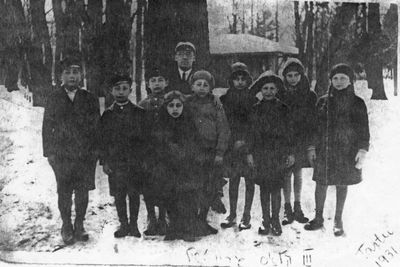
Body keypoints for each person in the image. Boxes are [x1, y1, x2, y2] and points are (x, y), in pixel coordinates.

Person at [304, 63, 370, 236]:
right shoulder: (323, 101)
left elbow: (364, 130)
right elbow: (314, 127)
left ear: (350, 81)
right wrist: (311, 147)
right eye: (335, 78)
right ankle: (318, 218)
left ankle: (338, 220)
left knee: (342, 183)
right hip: (325, 150)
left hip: (347, 151)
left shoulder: (357, 103)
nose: (339, 81)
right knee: (321, 183)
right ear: (331, 80)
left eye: (343, 78)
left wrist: (362, 150)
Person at [42, 55, 100, 245]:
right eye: (67, 72)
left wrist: (95, 152)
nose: (72, 76)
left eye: (76, 72)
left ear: (81, 75)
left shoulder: (90, 99)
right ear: (61, 76)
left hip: (85, 155)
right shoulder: (53, 98)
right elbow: (46, 126)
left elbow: (96, 127)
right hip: (62, 155)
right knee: (64, 192)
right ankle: (66, 225)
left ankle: (79, 224)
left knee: (83, 191)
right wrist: (49, 152)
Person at [149, 91, 205, 241]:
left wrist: (185, 154)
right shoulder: (160, 124)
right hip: (168, 167)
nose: (175, 109)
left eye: (178, 106)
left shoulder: (189, 123)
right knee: (170, 197)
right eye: (171, 106)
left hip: (186, 168)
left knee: (187, 198)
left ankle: (188, 228)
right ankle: (174, 227)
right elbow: (156, 146)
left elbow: (195, 144)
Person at [99, 74, 148, 238]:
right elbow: (103, 140)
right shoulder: (107, 115)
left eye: (124, 88)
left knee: (133, 194)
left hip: (135, 162)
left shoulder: (139, 113)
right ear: (111, 91)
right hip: (116, 163)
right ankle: (124, 225)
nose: (121, 92)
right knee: (119, 195)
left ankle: (134, 225)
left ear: (130, 90)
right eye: (117, 89)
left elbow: (145, 140)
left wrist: (143, 160)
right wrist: (105, 162)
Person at [248, 71, 294, 236]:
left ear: (277, 90)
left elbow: (289, 133)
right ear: (261, 90)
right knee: (264, 189)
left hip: (278, 154)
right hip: (261, 154)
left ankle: (276, 220)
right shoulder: (255, 109)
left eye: (272, 88)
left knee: (276, 189)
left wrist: (290, 153)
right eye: (265, 88)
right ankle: (265, 220)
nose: (268, 91)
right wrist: (250, 154)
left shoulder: (283, 109)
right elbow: (251, 134)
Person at [187, 70, 231, 235]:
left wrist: (220, 152)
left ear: (211, 88)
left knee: (209, 186)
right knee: (193, 186)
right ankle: (191, 220)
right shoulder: (187, 103)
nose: (202, 88)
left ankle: (202, 220)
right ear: (192, 86)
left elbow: (223, 129)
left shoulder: (215, 104)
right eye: (198, 84)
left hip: (210, 152)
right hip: (191, 152)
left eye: (205, 85)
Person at [279, 58, 317, 225]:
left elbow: (312, 121)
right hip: (286, 139)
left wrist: (309, 144)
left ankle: (298, 206)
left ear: (302, 76)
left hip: (302, 138)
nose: (293, 78)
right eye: (289, 75)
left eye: (296, 75)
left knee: (298, 173)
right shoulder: (280, 94)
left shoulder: (309, 95)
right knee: (286, 172)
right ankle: (287, 207)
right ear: (284, 77)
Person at [219, 62, 256, 230]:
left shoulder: (253, 99)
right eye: (236, 79)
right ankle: (232, 214)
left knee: (249, 181)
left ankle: (246, 215)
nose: (240, 82)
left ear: (248, 81)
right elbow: (224, 123)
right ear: (231, 81)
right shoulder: (224, 100)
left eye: (243, 79)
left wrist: (246, 143)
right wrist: (233, 141)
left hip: (248, 146)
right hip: (231, 146)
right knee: (233, 180)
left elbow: (255, 125)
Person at [139, 67, 169, 236]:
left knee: (165, 184)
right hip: (149, 152)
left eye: (160, 80)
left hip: (166, 151)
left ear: (166, 83)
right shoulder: (143, 105)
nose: (157, 84)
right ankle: (151, 217)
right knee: (148, 185)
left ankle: (163, 218)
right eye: (153, 81)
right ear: (148, 85)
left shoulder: (171, 102)